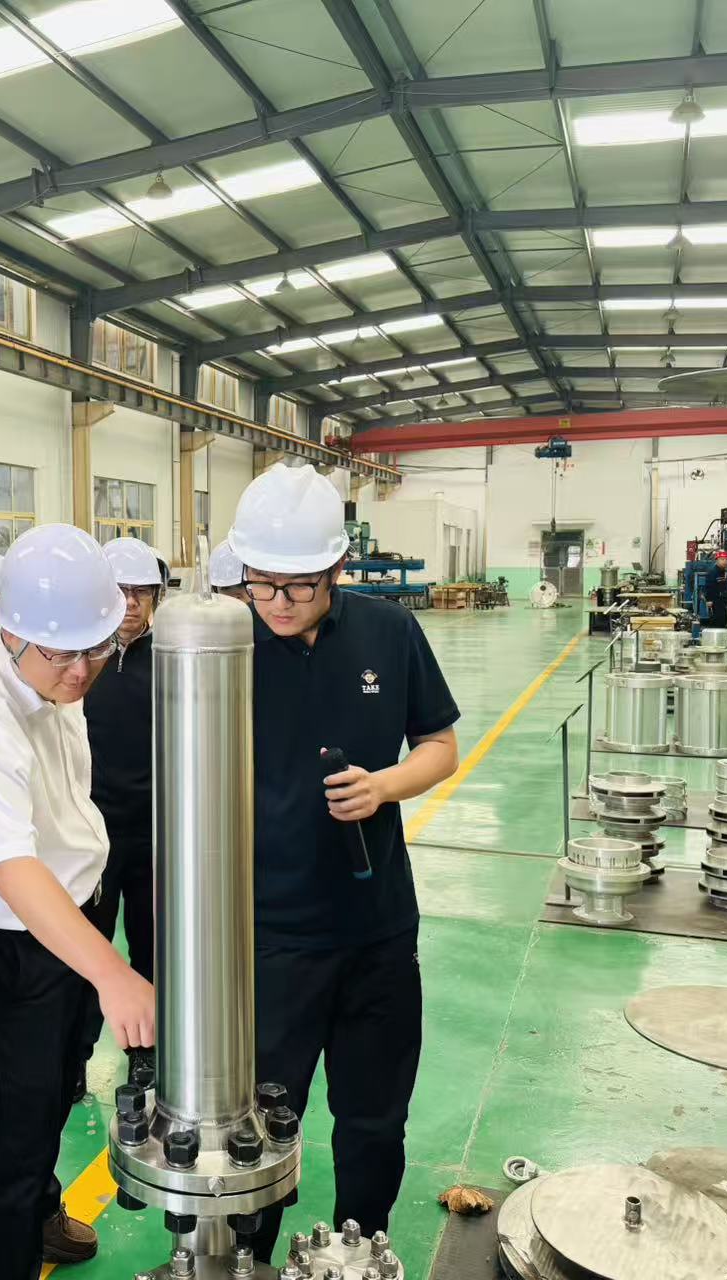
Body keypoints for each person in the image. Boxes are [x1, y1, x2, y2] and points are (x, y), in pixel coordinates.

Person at [230, 463, 461, 1263]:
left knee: (372, 1121)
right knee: (258, 1125)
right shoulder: (224, 645)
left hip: (376, 932)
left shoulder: (388, 632)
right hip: (269, 937)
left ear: (335, 568)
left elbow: (439, 744)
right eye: (261, 583)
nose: (277, 602)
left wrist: (383, 786)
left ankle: (361, 1256)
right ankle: (247, 1262)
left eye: (298, 585)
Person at [0, 524, 155, 1280]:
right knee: (15, 1133)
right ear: (7, 627)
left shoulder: (58, 669)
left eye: (97, 649)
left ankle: (42, 1210)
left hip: (74, 914)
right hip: (8, 943)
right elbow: (11, 869)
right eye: (63, 655)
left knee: (59, 1083)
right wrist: (113, 973)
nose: (83, 671)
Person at [77, 536, 164, 1085]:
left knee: (153, 947)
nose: (130, 603)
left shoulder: (171, 658)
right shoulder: (79, 659)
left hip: (154, 830)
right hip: (93, 832)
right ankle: (75, 1054)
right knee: (90, 944)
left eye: (141, 592)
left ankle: (146, 1054)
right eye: (120, 591)